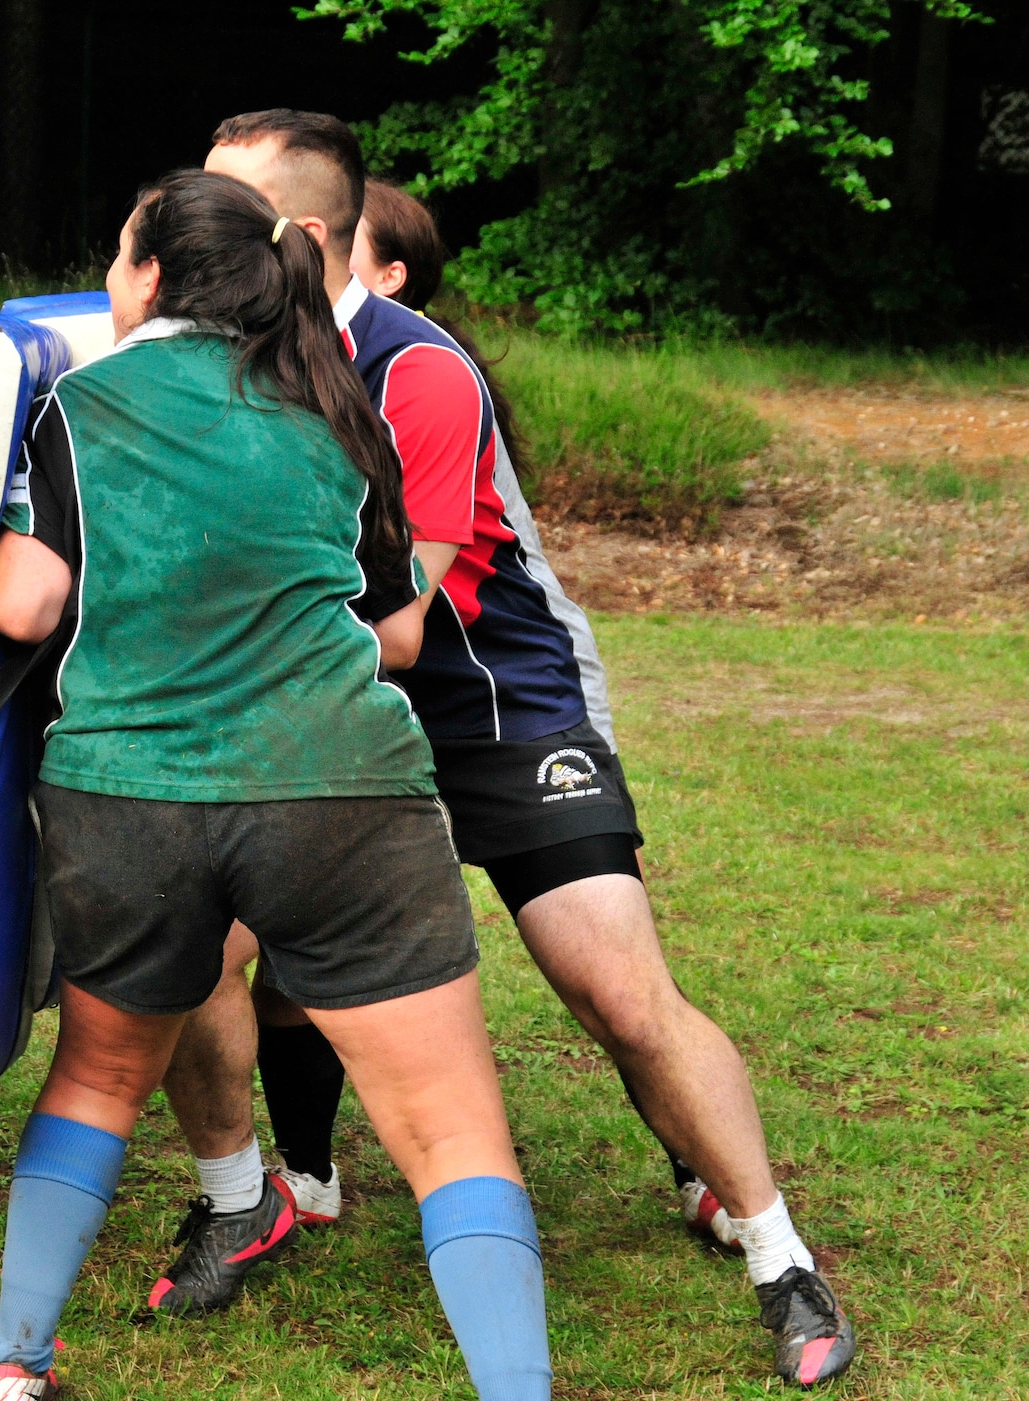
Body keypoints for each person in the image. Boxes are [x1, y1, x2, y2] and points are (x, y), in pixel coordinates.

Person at [168, 110, 855, 1387]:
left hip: (492, 703)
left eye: (217, 210)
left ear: (300, 237)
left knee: (611, 986)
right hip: (326, 701)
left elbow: (405, 625)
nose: (182, 233)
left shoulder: (420, 372)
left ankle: (774, 1250)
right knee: (213, 948)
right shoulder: (215, 356)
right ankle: (269, 1190)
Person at [0, 170, 553, 1401]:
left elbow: (24, 603)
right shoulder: (342, 405)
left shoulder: (80, 403)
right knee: (449, 1129)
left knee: (96, 1077)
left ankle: (13, 1366)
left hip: (126, 797)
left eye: (119, 258)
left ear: (148, 276)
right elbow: (395, 635)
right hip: (339, 792)